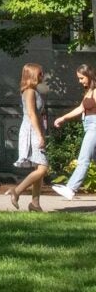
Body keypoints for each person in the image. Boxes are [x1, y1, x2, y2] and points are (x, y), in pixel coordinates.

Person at [7, 62, 48, 212]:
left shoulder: (34, 91)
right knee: (43, 168)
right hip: (32, 130)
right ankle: (16, 191)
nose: (42, 76)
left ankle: (35, 204)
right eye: (39, 73)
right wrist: (40, 135)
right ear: (31, 75)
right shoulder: (29, 92)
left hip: (35, 129)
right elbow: (31, 114)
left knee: (39, 167)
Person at [52, 63, 96, 201]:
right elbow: (81, 108)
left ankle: (71, 189)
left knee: (83, 159)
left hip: (94, 126)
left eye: (82, 78)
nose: (80, 81)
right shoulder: (89, 91)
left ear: (89, 76)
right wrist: (63, 118)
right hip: (88, 126)